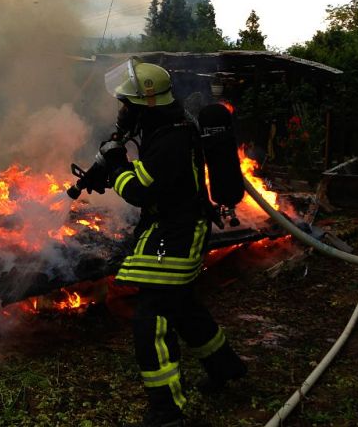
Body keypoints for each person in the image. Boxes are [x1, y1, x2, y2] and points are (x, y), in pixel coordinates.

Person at [98, 57, 247, 427]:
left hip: (176, 234)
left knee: (151, 318)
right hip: (176, 228)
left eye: (126, 104)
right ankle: (225, 368)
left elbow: (138, 191)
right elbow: (153, 180)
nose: (122, 113)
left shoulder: (171, 140)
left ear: (146, 104)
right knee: (184, 309)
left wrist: (117, 163)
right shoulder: (167, 130)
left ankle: (166, 412)